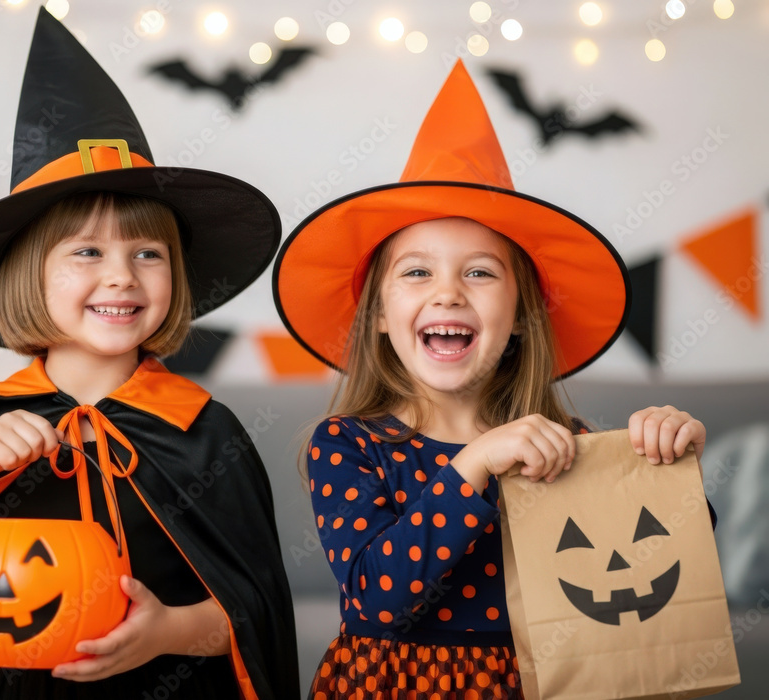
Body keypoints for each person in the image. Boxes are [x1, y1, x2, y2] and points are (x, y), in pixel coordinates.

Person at [0, 8, 298, 700]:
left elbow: (254, 617)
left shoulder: (202, 431)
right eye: (87, 253)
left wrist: (167, 634)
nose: (121, 276)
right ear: (29, 275)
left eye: (147, 253)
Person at [272, 61, 706, 699]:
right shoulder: (348, 445)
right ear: (381, 321)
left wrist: (670, 467)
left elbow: (658, 571)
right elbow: (376, 602)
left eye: (479, 273)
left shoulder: (566, 443)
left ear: (522, 319)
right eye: (417, 273)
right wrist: (476, 462)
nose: (447, 292)